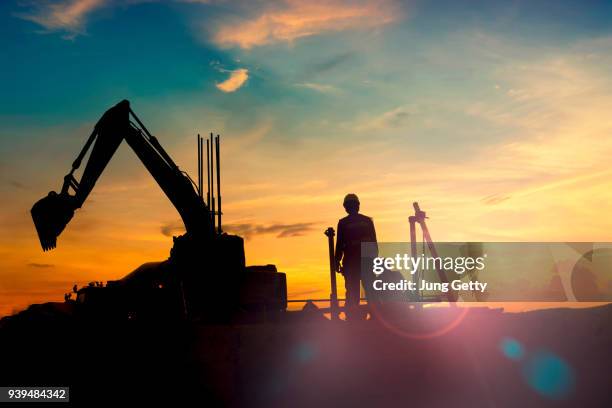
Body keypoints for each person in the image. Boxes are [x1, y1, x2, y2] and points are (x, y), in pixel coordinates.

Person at [334, 194, 377, 321]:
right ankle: (375, 317)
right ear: (358, 205)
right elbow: (374, 244)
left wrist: (337, 261)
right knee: (370, 291)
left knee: (353, 293)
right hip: (365, 263)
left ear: (345, 207)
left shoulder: (343, 223)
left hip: (351, 264)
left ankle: (353, 318)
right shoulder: (367, 221)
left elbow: (340, 244)